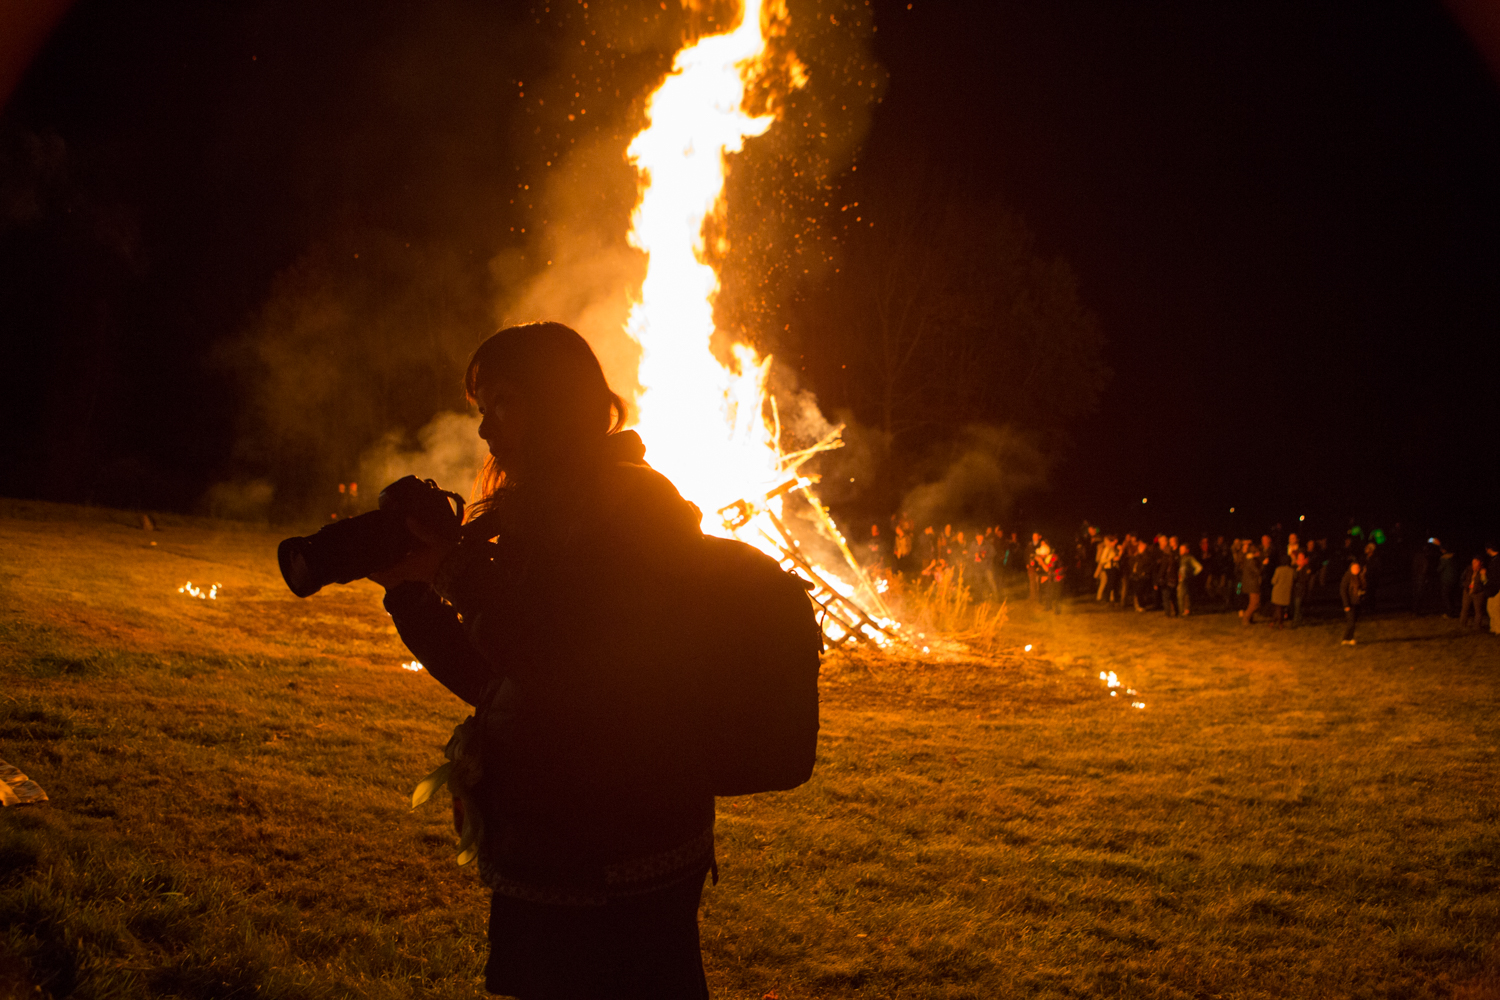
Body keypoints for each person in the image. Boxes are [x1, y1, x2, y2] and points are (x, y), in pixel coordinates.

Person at [370, 323, 716, 999]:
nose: (485, 429)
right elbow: (496, 682)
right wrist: (409, 593)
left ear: (556, 401)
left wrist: (456, 570)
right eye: (481, 407)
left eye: (503, 402)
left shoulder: (636, 505)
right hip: (551, 845)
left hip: (623, 846)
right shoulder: (532, 513)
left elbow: (565, 662)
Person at [1340, 559, 1366, 645]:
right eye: (1354, 568)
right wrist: (1346, 604)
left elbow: (1363, 587)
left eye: (1358, 568)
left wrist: (1362, 593)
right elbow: (1343, 591)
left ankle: (1351, 638)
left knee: (1354, 621)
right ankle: (1346, 638)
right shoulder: (1347, 577)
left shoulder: (1360, 576)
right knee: (1351, 622)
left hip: (1357, 603)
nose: (1356, 569)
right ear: (1351, 568)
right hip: (1350, 603)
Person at [1459, 556, 1488, 630]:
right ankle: (1462, 625)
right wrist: (1465, 585)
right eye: (1473, 562)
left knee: (1478, 610)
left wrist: (1483, 574)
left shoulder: (1483, 570)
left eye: (1475, 562)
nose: (1473, 564)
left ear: (1480, 562)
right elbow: (1463, 577)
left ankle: (1477, 627)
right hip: (1467, 591)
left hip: (1478, 593)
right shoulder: (1469, 569)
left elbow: (1485, 582)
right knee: (1465, 609)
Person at [1240, 544, 1263, 625]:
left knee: (1254, 602)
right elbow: (1258, 572)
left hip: (1251, 584)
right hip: (1252, 585)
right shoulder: (1251, 561)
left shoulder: (1249, 559)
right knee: (1254, 603)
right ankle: (1246, 618)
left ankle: (1250, 618)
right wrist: (1264, 564)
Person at [1177, 543, 1202, 616]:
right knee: (1182, 595)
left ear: (1187, 550)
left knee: (1184, 595)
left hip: (1186, 580)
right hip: (1181, 580)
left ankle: (1185, 611)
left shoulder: (1189, 558)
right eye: (1180, 549)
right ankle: (1183, 611)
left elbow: (1199, 567)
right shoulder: (1181, 558)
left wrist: (1191, 575)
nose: (1180, 551)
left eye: (1182, 549)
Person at [1270, 556, 1294, 629]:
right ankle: (1273, 622)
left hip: (1278, 592)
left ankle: (1280, 623)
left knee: (1278, 609)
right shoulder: (1292, 570)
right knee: (1281, 609)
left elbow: (1273, 581)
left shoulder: (1279, 570)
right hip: (1286, 592)